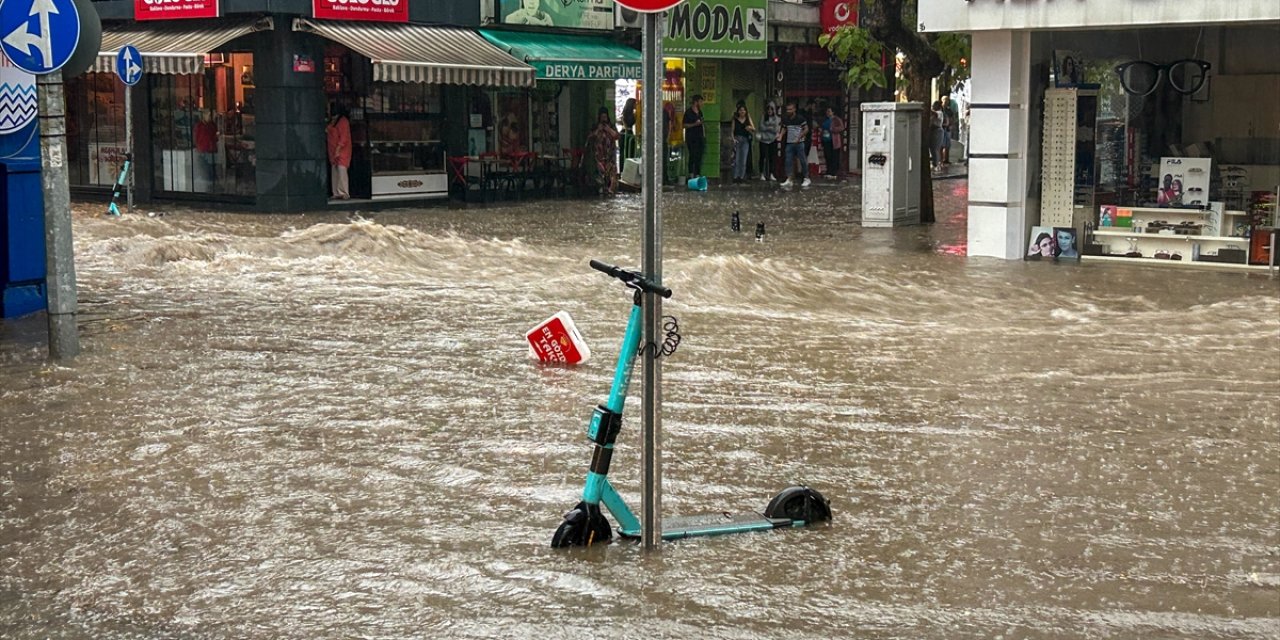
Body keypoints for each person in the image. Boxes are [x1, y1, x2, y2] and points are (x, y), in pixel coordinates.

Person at [587, 107, 620, 196]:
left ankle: (611, 189)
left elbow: (617, 136)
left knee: (612, 171)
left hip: (610, 154)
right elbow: (590, 137)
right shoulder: (596, 126)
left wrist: (608, 129)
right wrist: (598, 130)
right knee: (601, 172)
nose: (604, 119)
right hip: (600, 155)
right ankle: (602, 188)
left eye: (605, 117)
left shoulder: (611, 126)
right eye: (602, 117)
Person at [779, 100, 809, 188]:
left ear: (794, 109)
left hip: (799, 143)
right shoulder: (785, 119)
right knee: (788, 160)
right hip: (789, 143)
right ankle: (789, 178)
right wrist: (780, 135)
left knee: (802, 160)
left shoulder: (800, 118)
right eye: (787, 110)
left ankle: (806, 177)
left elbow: (806, 129)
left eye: (790, 109)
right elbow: (784, 128)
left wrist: (799, 137)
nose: (788, 111)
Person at [326, 104, 351, 200]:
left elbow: (344, 137)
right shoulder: (333, 121)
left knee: (341, 169)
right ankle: (336, 192)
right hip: (332, 150)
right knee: (335, 170)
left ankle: (344, 192)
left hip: (341, 150)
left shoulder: (343, 121)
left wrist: (338, 149)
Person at [730, 101, 755, 184]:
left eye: (744, 110)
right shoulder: (735, 119)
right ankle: (735, 176)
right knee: (736, 159)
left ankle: (741, 176)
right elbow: (732, 130)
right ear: (738, 111)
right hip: (737, 139)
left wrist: (749, 127)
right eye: (740, 110)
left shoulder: (748, 118)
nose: (742, 112)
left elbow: (754, 128)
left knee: (743, 159)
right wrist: (733, 139)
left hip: (745, 140)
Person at [756, 102, 780, 182]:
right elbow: (761, 127)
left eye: (771, 109)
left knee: (772, 157)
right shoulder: (763, 117)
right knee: (762, 157)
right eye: (768, 109)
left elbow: (776, 129)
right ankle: (762, 173)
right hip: (763, 139)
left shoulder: (776, 118)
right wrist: (770, 127)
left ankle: (771, 174)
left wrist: (767, 127)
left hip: (772, 140)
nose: (770, 111)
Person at [682, 95, 706, 178]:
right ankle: (691, 174)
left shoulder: (700, 112)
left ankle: (698, 174)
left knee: (699, 156)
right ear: (696, 102)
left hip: (700, 137)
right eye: (700, 101)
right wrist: (695, 124)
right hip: (691, 137)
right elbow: (684, 125)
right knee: (692, 155)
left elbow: (702, 123)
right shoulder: (688, 112)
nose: (702, 103)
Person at [819, 105, 846, 179]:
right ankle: (829, 171)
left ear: (833, 112)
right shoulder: (825, 120)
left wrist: (833, 129)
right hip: (826, 140)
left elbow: (841, 127)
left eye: (829, 111)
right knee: (827, 156)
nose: (827, 113)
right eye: (827, 111)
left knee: (834, 157)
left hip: (834, 141)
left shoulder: (836, 119)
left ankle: (834, 172)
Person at [940, 95, 958, 164]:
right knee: (941, 145)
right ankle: (941, 159)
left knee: (947, 145)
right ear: (942, 100)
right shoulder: (940, 109)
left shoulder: (949, 110)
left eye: (947, 100)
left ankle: (946, 159)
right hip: (941, 128)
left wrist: (951, 125)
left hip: (947, 129)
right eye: (945, 100)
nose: (946, 102)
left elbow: (952, 118)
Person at [929, 100, 945, 172]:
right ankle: (934, 162)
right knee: (932, 148)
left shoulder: (940, 113)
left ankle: (937, 164)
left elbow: (935, 114)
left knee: (935, 148)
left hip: (937, 130)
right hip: (932, 131)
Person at [662, 100, 675, 185]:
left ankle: (663, 178)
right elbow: (669, 125)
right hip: (663, 139)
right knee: (664, 160)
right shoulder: (665, 113)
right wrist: (668, 137)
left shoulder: (659, 112)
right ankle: (664, 178)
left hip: (660, 139)